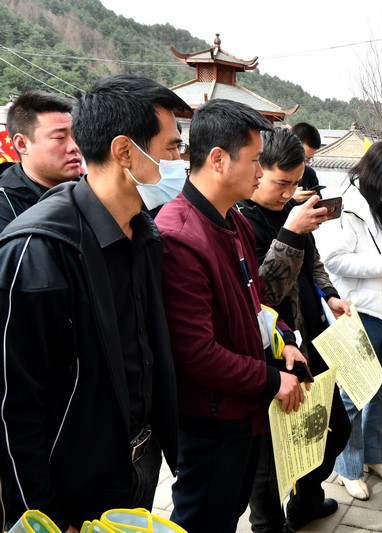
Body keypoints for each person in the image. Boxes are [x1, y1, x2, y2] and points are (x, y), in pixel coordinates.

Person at [0, 74, 191, 531]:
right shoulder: (41, 248)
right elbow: (13, 403)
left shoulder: (143, 231)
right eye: (171, 149)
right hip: (70, 487)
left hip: (137, 462)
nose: (180, 162)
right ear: (126, 152)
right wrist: (42, 515)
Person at [156, 99, 309, 533]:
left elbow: (255, 301)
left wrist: (284, 341)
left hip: (242, 410)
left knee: (230, 511)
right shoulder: (180, 236)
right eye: (256, 160)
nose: (261, 172)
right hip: (210, 420)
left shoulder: (233, 221)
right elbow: (196, 353)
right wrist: (270, 380)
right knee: (203, 519)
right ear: (218, 159)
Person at [237, 127, 352, 532]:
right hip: (270, 348)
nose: (288, 193)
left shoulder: (292, 209)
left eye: (295, 183)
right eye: (280, 183)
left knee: (334, 428)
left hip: (310, 335)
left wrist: (331, 293)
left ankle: (306, 499)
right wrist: (290, 231)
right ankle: (268, 523)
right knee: (269, 456)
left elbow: (313, 260)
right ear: (257, 169)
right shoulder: (241, 221)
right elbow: (263, 293)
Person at [315, 141, 382, 500]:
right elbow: (334, 260)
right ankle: (347, 466)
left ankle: (374, 456)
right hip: (358, 309)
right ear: (376, 175)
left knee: (381, 388)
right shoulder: (344, 207)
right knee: (351, 392)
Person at [0, 91, 82, 231]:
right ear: (22, 144)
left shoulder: (91, 191)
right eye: (60, 137)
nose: (74, 147)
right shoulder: (6, 204)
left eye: (76, 136)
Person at [290, 122, 322, 202]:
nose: (303, 164)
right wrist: (290, 200)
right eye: (301, 159)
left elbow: (319, 203)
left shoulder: (309, 173)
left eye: (308, 160)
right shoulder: (276, 171)